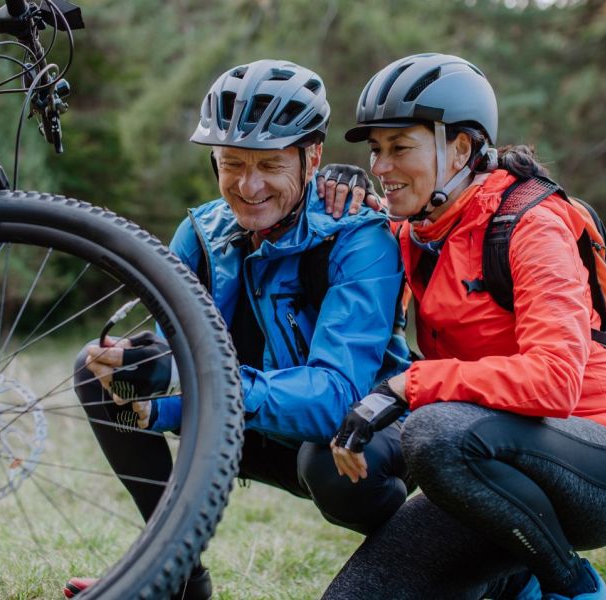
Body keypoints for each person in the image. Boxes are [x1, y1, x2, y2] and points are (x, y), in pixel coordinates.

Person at [64, 59, 412, 599]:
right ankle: (174, 574)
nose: (248, 186)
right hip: (250, 427)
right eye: (231, 164)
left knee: (326, 460)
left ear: (312, 155)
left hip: (358, 438)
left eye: (271, 165)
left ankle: (444, 552)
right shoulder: (199, 236)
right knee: (101, 374)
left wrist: (206, 389)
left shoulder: (359, 237)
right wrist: (144, 398)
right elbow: (181, 366)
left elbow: (335, 397)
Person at [325, 52, 606, 600]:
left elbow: (554, 380)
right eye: (375, 151)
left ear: (461, 148)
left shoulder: (530, 226)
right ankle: (513, 579)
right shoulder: (414, 231)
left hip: (602, 465)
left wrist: (411, 385)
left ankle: (574, 587)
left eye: (401, 147)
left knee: (434, 431)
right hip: (485, 465)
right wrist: (328, 185)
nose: (381, 167)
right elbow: (336, 248)